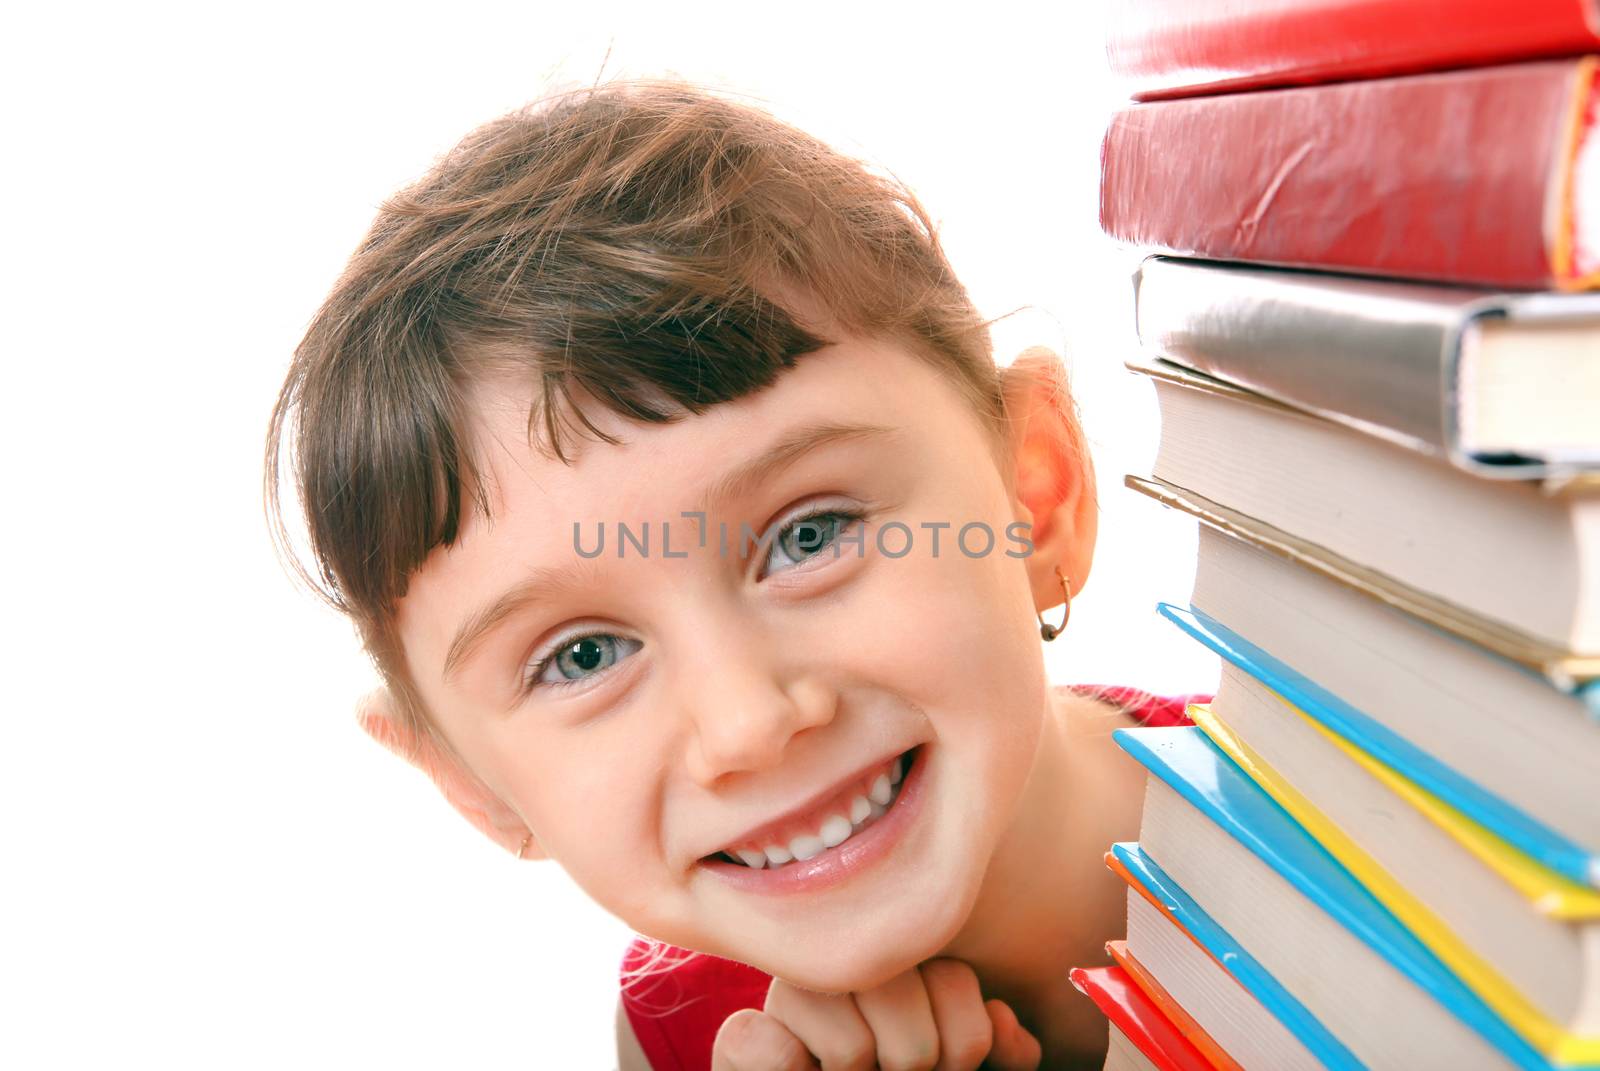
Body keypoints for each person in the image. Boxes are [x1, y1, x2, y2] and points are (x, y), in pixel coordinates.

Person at [264, 80, 1205, 1070]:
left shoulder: (1339, 810)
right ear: (474, 784)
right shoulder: (680, 1041)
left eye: (808, 537)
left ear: (1033, 493)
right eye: (583, 655)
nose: (748, 724)